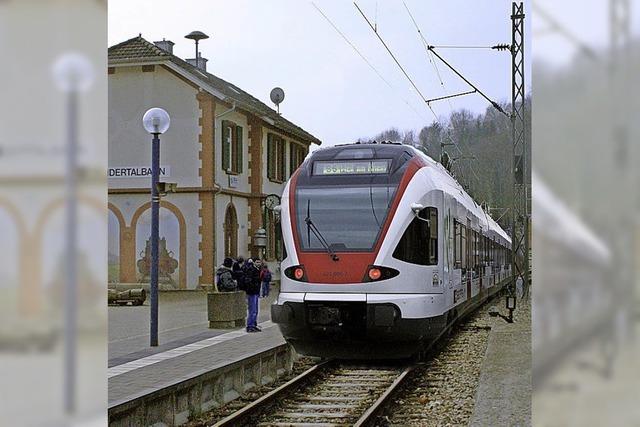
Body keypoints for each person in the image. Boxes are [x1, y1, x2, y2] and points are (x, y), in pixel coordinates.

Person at [242, 258, 261, 332]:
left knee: (255, 310)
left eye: (259, 262)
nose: (259, 263)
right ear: (253, 262)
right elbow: (249, 281)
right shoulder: (251, 270)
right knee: (252, 310)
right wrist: (252, 288)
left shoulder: (257, 269)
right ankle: (250, 326)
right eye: (257, 262)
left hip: (256, 292)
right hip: (252, 292)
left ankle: (254, 324)